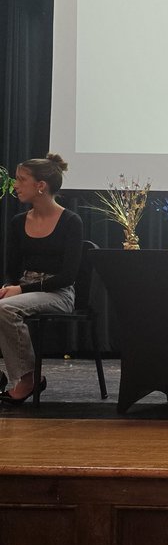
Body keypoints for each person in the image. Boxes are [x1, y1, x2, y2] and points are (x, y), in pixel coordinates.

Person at [0, 154, 83, 404]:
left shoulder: (70, 221)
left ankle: (28, 379)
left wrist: (20, 290)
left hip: (58, 293)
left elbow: (68, 276)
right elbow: (11, 270)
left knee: (5, 309)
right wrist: (8, 287)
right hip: (24, 289)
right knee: (4, 303)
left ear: (41, 186)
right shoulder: (18, 222)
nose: (15, 185)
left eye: (21, 180)